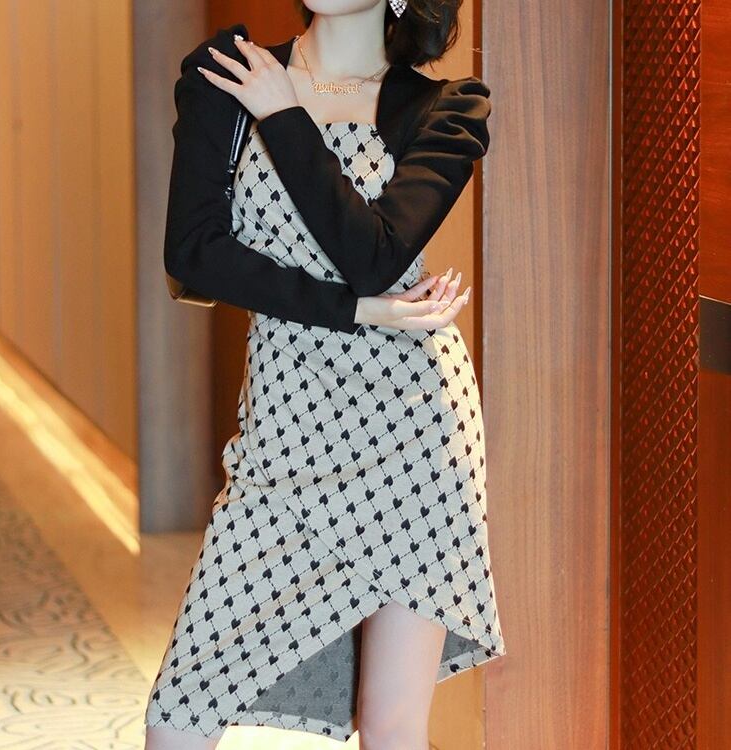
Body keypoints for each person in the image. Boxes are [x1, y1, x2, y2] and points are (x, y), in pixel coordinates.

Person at [144, 1, 506, 748]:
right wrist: (355, 311)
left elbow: (372, 254)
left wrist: (284, 116)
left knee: (391, 725)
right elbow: (195, 255)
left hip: (412, 435)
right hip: (282, 436)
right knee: (179, 712)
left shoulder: (448, 108)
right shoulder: (230, 72)